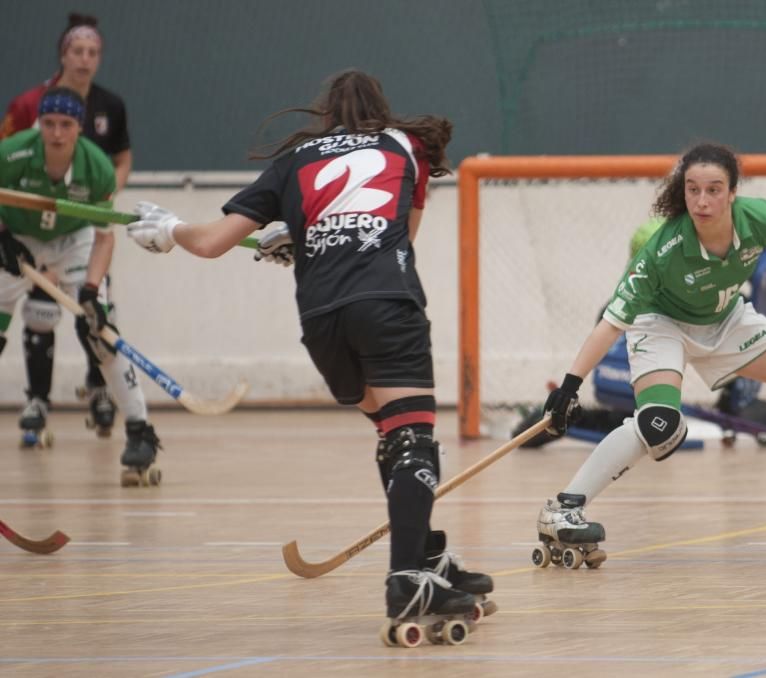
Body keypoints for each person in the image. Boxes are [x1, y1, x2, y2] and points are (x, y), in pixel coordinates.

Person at [123, 70, 493, 633]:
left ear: (325, 115)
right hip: (386, 303)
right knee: (414, 437)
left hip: (321, 319)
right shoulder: (406, 146)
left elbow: (209, 243)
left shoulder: (294, 162)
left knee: (391, 435)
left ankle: (425, 553)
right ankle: (407, 581)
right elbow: (396, 237)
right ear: (380, 110)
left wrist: (170, 228)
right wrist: (304, 237)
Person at [532, 142, 766, 566]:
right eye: (693, 189)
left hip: (724, 318)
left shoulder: (760, 219)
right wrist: (570, 386)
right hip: (659, 325)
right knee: (658, 424)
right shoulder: (661, 252)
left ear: (733, 192)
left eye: (714, 189)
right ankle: (563, 509)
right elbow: (611, 322)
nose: (702, 201)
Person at [514, 214, 766, 447]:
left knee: (636, 421)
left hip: (616, 388)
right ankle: (571, 498)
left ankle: (573, 478)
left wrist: (570, 386)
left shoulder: (621, 298)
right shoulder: (683, 298)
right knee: (659, 423)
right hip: (640, 391)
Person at [0, 87, 160, 474]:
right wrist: (2, 238)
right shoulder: (11, 154)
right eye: (49, 124)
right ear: (39, 123)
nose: (56, 133)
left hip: (75, 242)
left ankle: (140, 430)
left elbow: (104, 237)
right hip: (17, 238)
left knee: (99, 334)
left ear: (79, 128)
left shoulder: (98, 168)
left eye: (66, 125)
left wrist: (90, 291)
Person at [1, 13, 132, 436]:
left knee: (92, 308)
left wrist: (104, 204)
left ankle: (100, 389)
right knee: (40, 313)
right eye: (78, 51)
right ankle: (38, 400)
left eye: (93, 52)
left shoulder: (109, 105)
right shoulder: (27, 105)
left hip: (80, 229)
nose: (85, 59)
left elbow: (120, 159)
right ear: (63, 54)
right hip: (26, 230)